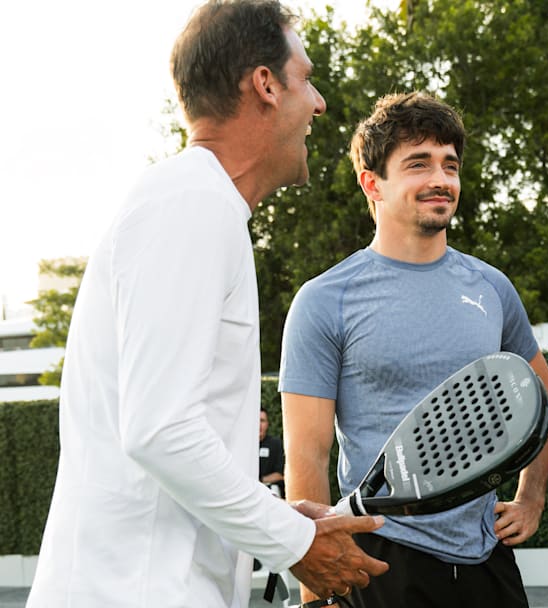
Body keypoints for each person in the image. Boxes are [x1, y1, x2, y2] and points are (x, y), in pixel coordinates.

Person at [26, 2, 389, 606]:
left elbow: (166, 437)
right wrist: (294, 542)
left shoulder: (195, 204)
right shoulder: (189, 205)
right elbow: (161, 430)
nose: (319, 103)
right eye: (306, 78)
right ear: (265, 86)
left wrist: (275, 518)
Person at [279, 91, 548, 607]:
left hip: (485, 555)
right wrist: (314, 596)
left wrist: (531, 498)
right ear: (373, 183)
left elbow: (542, 392)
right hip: (380, 559)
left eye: (450, 165)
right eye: (418, 164)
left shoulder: (490, 287)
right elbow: (308, 455)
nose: (441, 179)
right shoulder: (324, 301)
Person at [260, 407, 286, 497]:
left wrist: (260, 480)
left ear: (267, 424)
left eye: (262, 421)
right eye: (256, 420)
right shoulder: (246, 444)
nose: (259, 425)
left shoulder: (276, 444)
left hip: (272, 490)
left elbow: (281, 474)